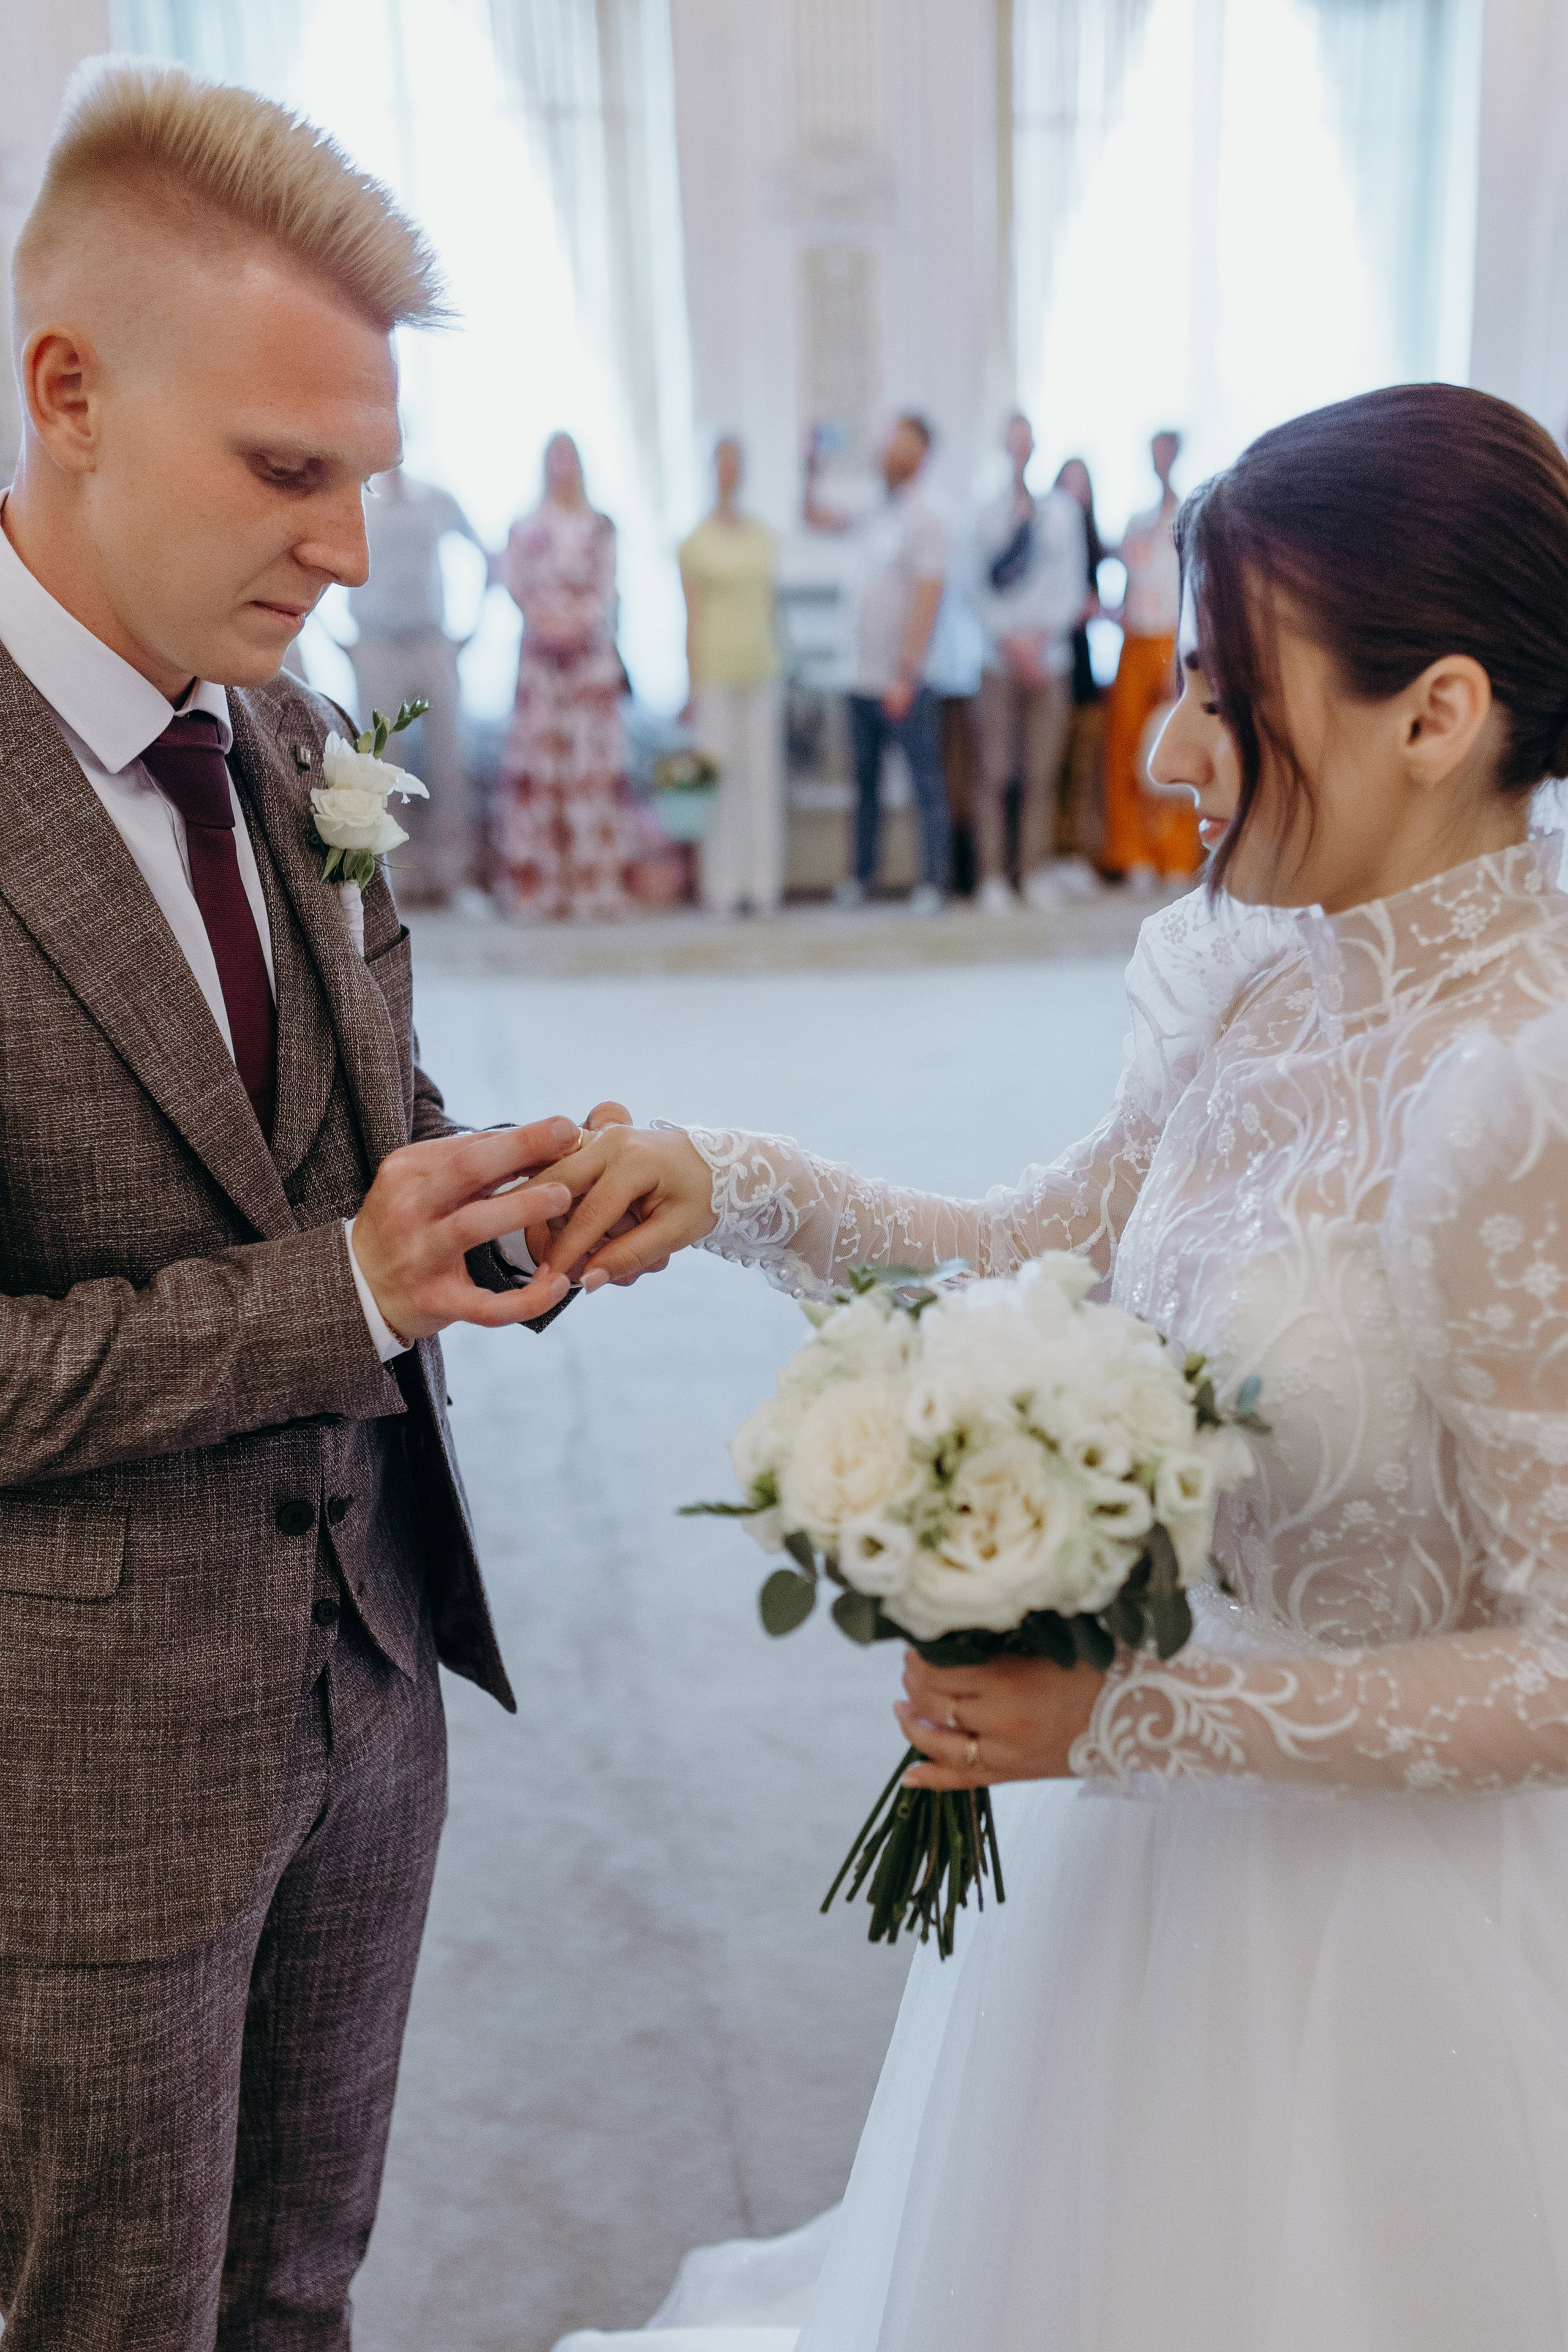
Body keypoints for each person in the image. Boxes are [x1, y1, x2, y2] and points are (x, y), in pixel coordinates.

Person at [541, 384, 1568, 2348]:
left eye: (1224, 695)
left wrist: (1129, 1718)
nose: (1170, 753)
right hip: (1134, 1884)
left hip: (1391, 1946)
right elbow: (1039, 1246)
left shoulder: (1521, 1093)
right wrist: (726, 1183)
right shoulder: (1262, 976)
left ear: (1436, 716)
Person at [0, 58, 637, 2347]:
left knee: (303, 2284)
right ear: (69, 393)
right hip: (75, 1773)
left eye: (365, 475)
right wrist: (337, 1293)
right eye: (288, 472)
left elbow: (351, 1126)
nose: (352, 549)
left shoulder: (290, 732)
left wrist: (499, 1197)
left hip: (367, 1680)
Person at [805, 413, 951, 916]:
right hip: (859, 674)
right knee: (863, 785)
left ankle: (933, 881)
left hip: (904, 679)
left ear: (921, 454)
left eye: (900, 442)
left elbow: (928, 597)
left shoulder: (928, 517)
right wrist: (810, 465)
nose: (888, 449)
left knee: (922, 783)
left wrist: (905, 673)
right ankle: (861, 876)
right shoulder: (872, 510)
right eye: (887, 440)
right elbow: (814, 518)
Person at [497, 432, 641, 921]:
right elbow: (516, 585)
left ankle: (593, 887)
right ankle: (541, 889)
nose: (562, 468)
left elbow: (607, 587)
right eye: (554, 459)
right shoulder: (523, 527)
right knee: (543, 773)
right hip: (541, 665)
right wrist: (547, 624)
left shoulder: (601, 526)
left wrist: (575, 624)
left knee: (588, 773)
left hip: (588, 663)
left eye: (569, 459)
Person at [347, 464, 489, 905]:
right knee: (382, 764)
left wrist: (473, 628)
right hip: (376, 646)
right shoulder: (356, 501)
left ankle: (456, 877)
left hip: (431, 643)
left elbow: (485, 554)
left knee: (450, 762)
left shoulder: (436, 499)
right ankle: (392, 883)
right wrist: (339, 639)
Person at [970, 412, 1088, 916]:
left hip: (1050, 660)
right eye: (1011, 442)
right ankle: (992, 876)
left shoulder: (1061, 513)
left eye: (1026, 442)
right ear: (1003, 447)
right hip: (998, 661)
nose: (1019, 450)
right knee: (995, 772)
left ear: (1035, 447)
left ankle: (1033, 870)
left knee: (1042, 772)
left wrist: (1040, 640)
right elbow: (973, 587)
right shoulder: (984, 513)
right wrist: (1010, 642)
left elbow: (1072, 584)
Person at [679, 435, 783, 916]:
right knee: (719, 781)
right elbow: (691, 616)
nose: (729, 471)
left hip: (761, 669)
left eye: (736, 463)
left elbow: (772, 607)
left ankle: (763, 885)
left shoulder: (763, 536)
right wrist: (691, 683)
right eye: (722, 462)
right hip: (715, 671)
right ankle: (721, 885)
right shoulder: (695, 542)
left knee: (761, 780)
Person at [1102, 428, 1202, 888]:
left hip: (1173, 640)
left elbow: (1195, 589)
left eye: (1166, 454)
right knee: (1127, 747)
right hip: (1135, 641)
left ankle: (1178, 856)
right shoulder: (1137, 521)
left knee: (1174, 743)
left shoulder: (1192, 515)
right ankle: (1134, 854)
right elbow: (1128, 581)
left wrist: (1183, 656)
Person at [1052, 454, 1109, 883]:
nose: (1075, 493)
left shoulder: (1093, 543)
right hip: (1054, 664)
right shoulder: (1046, 539)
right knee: (1052, 768)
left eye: (1082, 485)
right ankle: (1052, 853)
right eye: (1068, 484)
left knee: (1081, 769)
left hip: (1085, 665)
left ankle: (1075, 853)